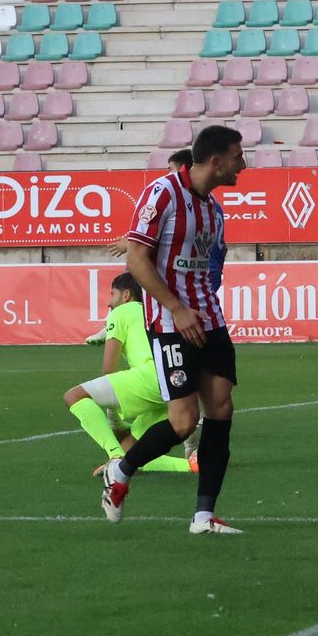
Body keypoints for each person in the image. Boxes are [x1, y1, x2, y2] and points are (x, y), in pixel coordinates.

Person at [101, 125, 246, 535]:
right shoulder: (162, 193)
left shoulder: (212, 208)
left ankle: (203, 516)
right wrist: (177, 308)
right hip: (170, 323)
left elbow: (203, 265)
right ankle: (121, 471)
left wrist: (198, 307)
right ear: (215, 161)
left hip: (209, 318)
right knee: (183, 422)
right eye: (237, 157)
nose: (243, 164)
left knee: (221, 408)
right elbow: (136, 260)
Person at [63, 272, 194, 476]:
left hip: (150, 377)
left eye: (112, 294)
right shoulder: (154, 312)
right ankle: (191, 466)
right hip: (174, 382)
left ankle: (114, 455)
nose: (109, 302)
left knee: (73, 396)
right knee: (133, 452)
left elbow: (109, 368)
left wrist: (112, 415)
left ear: (126, 295)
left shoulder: (121, 312)